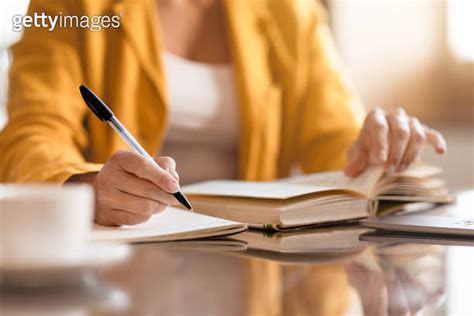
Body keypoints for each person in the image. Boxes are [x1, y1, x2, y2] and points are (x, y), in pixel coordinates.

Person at [0, 0, 446, 227]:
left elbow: (334, 141)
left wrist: (375, 148)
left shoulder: (287, 10)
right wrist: (85, 187)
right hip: (122, 260)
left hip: (251, 260)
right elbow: (33, 134)